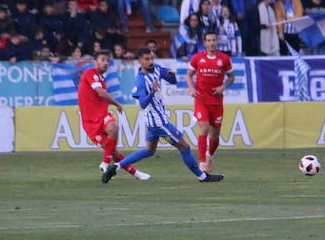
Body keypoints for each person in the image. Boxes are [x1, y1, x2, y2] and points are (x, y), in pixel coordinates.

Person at [102, 48, 223, 183]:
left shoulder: (157, 69)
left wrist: (172, 75)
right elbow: (142, 103)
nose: (151, 61)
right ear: (140, 61)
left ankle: (116, 166)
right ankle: (202, 176)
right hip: (158, 122)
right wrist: (152, 92)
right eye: (147, 59)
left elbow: (172, 81)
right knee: (184, 147)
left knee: (149, 150)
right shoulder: (140, 80)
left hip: (154, 122)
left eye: (152, 58)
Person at [77, 51, 150, 182]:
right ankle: (136, 173)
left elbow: (100, 93)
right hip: (90, 123)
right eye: (102, 60)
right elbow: (100, 93)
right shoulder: (90, 73)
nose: (105, 63)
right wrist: (117, 104)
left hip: (102, 115)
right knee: (113, 152)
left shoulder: (101, 79)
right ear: (95, 62)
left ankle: (105, 163)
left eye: (107, 61)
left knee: (113, 127)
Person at [188, 32, 235, 173]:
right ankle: (202, 162)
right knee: (204, 128)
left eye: (214, 40)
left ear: (217, 41)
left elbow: (231, 76)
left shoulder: (224, 59)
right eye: (209, 40)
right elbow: (189, 75)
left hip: (216, 101)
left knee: (215, 136)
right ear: (205, 43)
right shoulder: (197, 58)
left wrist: (223, 86)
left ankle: (210, 155)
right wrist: (191, 88)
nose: (212, 43)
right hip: (201, 99)